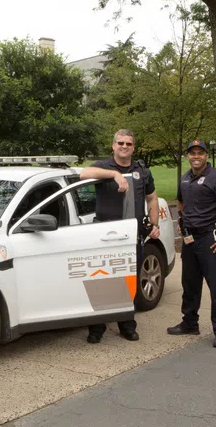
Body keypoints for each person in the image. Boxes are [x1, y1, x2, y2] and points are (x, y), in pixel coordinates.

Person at [79, 129, 160, 343]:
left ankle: (127, 325)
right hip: (104, 236)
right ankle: (97, 328)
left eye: (129, 144)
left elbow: (152, 199)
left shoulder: (142, 171)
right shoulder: (104, 166)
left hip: (132, 236)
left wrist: (154, 224)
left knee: (128, 282)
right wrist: (114, 175)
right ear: (113, 145)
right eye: (121, 143)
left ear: (134, 147)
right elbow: (83, 174)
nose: (124, 147)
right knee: (101, 280)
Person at [167, 140, 216, 348]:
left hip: (211, 239)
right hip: (190, 240)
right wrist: (182, 222)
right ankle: (190, 323)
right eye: (192, 153)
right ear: (188, 156)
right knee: (189, 284)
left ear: (206, 156)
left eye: (200, 153)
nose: (196, 156)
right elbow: (180, 201)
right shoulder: (185, 178)